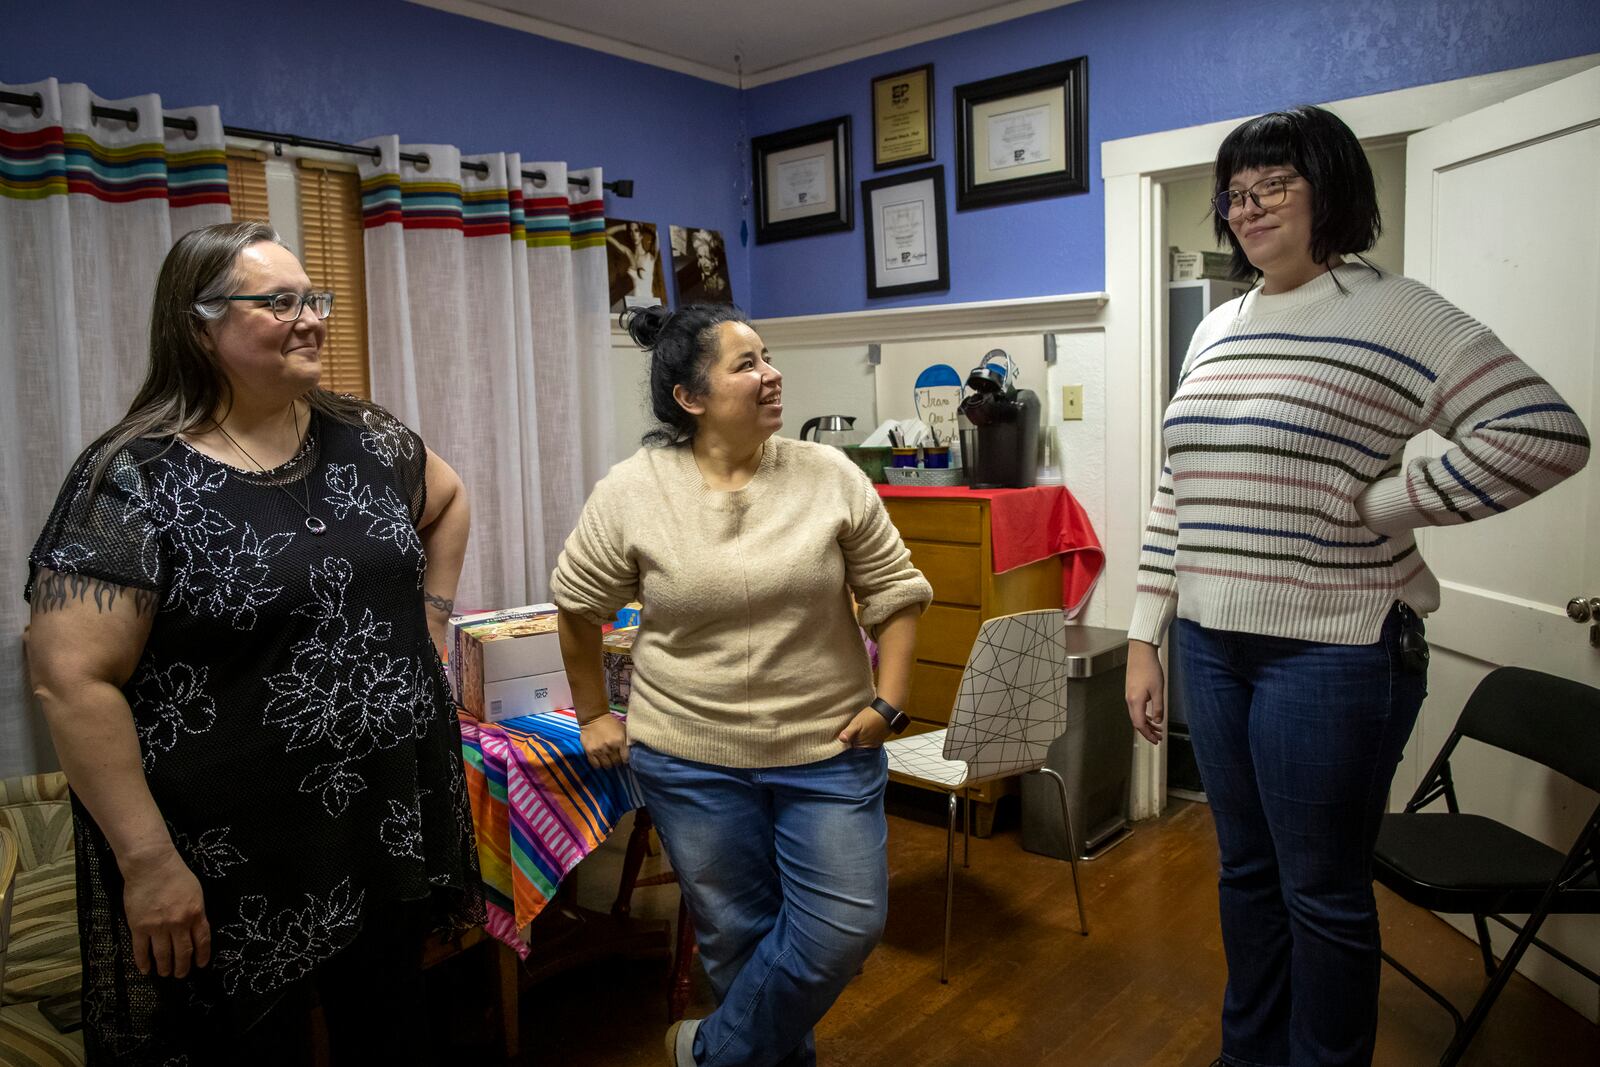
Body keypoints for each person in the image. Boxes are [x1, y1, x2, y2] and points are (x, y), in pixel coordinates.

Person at [1124, 105, 1591, 1067]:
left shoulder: (1401, 313)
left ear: (1331, 189)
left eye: (1274, 186)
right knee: (1245, 875)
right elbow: (1182, 483)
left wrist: (1389, 499)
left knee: (1320, 889)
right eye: (1236, 193)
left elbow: (1545, 433)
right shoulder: (1217, 326)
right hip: (1211, 644)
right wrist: (1145, 631)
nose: (1249, 208)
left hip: (1333, 647)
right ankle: (1248, 1055)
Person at [24, 221, 484, 1065]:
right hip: (229, 856)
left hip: (379, 820)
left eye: (315, 297)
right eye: (280, 302)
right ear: (200, 324)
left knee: (392, 1034)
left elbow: (448, 500)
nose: (311, 316)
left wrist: (431, 618)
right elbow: (69, 679)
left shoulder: (365, 436)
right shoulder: (133, 478)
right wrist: (149, 862)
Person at [550, 303, 931, 1067]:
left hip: (826, 747)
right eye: (747, 363)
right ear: (691, 397)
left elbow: (897, 594)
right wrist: (594, 711)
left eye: (768, 355)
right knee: (738, 941)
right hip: (690, 758)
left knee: (843, 925)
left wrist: (887, 702)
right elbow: (577, 604)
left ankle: (711, 1050)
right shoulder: (633, 489)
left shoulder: (829, 474)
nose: (771, 373)